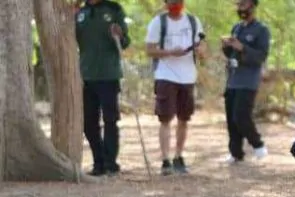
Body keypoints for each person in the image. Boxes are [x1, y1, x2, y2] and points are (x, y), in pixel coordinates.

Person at [145, 0, 206, 176]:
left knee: (184, 119)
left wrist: (201, 52)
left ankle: (178, 157)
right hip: (165, 75)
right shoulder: (159, 22)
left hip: (188, 76)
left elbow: (202, 46)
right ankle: (165, 160)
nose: (175, 4)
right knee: (165, 119)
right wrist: (170, 52)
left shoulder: (193, 21)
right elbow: (149, 50)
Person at [75, 0, 130, 177]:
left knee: (110, 120)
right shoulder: (79, 12)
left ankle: (110, 162)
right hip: (86, 75)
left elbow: (125, 41)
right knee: (88, 122)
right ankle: (98, 161)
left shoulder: (114, 9)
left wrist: (120, 35)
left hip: (108, 74)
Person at [221, 0, 271, 165]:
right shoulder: (237, 28)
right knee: (231, 119)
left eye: (244, 4)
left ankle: (258, 145)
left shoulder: (261, 30)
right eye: (238, 5)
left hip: (248, 81)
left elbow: (260, 56)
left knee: (241, 116)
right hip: (233, 80)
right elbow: (231, 54)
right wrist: (226, 46)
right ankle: (236, 153)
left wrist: (242, 47)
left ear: (252, 6)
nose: (240, 8)